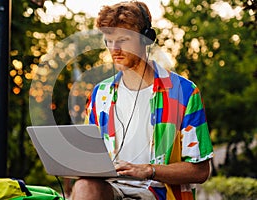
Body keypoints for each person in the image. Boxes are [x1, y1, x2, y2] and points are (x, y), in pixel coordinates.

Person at [70, 1, 214, 199]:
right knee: (84, 186)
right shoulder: (99, 94)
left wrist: (148, 170)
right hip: (112, 188)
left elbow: (200, 171)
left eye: (123, 39)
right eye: (109, 41)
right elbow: (90, 157)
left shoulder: (184, 92)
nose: (115, 49)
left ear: (146, 39)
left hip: (158, 191)